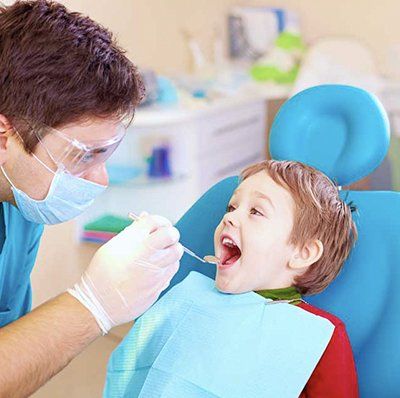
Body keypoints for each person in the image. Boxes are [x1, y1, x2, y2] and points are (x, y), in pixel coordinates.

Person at [0, 1, 183, 396]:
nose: (99, 180)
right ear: (4, 136)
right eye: (84, 155)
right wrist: (92, 304)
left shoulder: (21, 200)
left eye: (106, 154)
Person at [106, 159, 359, 397]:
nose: (229, 217)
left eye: (256, 212)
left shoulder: (318, 334)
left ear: (303, 253)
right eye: (232, 207)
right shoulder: (189, 299)